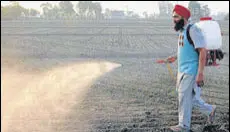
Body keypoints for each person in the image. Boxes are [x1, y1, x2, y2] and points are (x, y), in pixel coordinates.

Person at [167, 5, 217, 132]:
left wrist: (200, 73)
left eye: (176, 17)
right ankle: (210, 110)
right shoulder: (182, 32)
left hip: (191, 70)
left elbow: (202, 51)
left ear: (184, 18)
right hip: (182, 70)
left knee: (184, 96)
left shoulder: (193, 29)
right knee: (192, 99)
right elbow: (186, 50)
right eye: (173, 17)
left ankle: (183, 126)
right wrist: (174, 57)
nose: (174, 19)